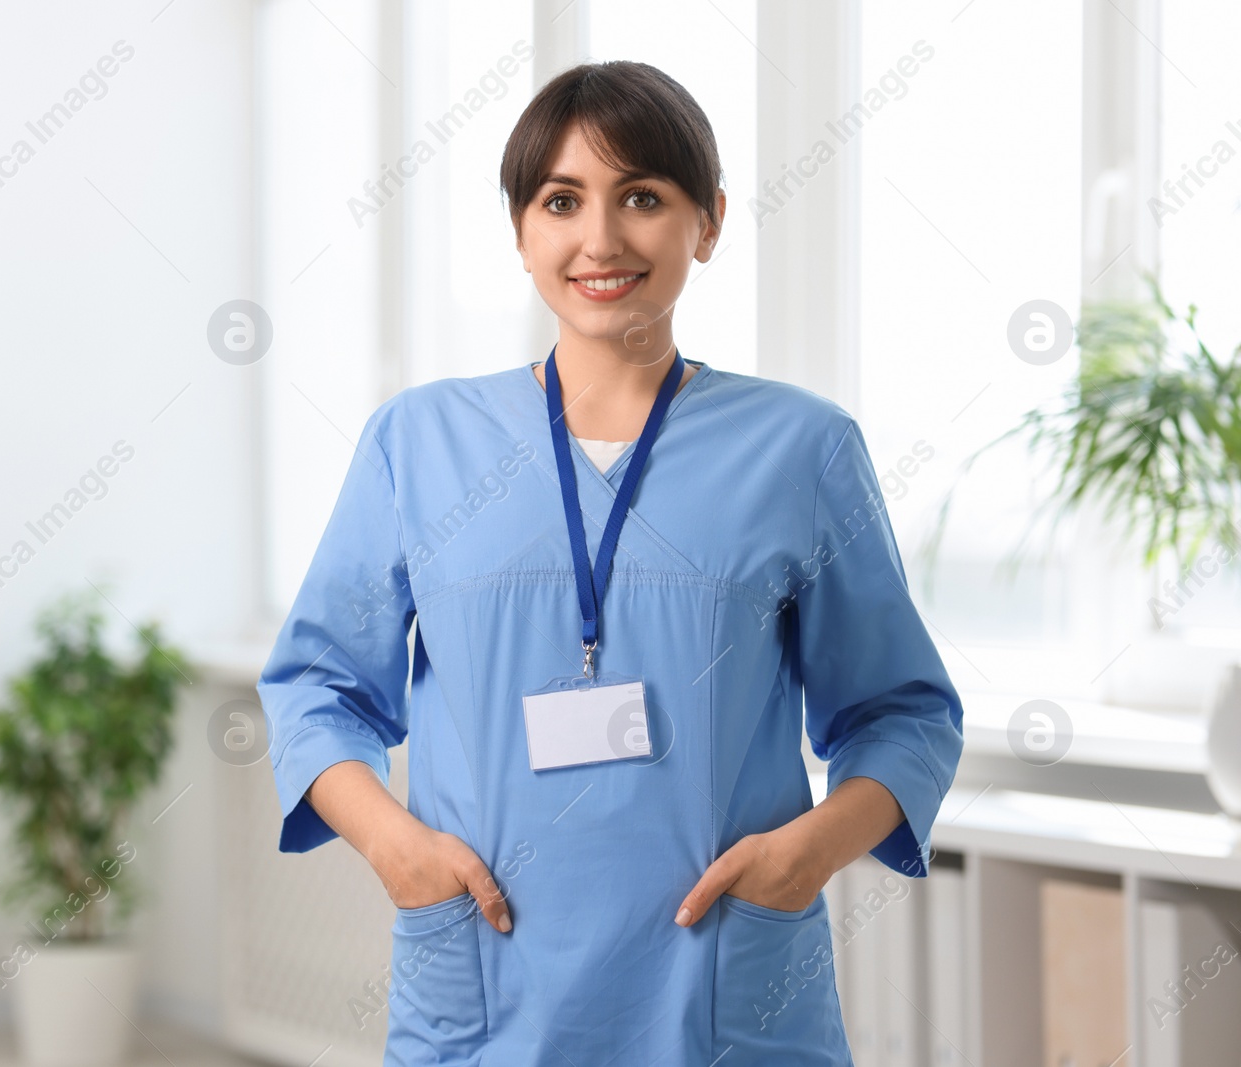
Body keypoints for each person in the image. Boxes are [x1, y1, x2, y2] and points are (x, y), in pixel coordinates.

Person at [256, 59, 963, 1066]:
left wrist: (804, 854)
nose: (599, 238)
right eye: (560, 200)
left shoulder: (801, 449)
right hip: (488, 975)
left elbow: (905, 709)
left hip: (721, 981)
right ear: (520, 231)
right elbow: (317, 685)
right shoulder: (417, 443)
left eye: (641, 196)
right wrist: (395, 847)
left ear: (707, 222)